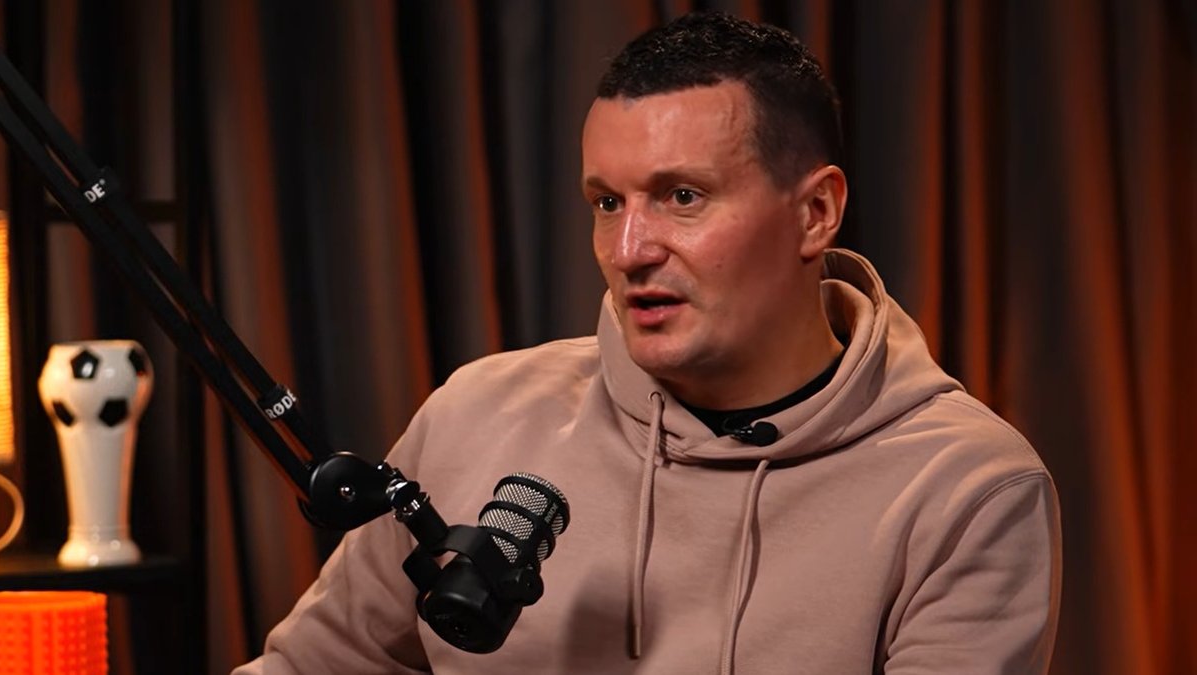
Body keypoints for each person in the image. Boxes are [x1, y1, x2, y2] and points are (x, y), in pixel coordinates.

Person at [235, 12, 1061, 674]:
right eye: (607, 203)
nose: (628, 250)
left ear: (815, 213)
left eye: (682, 196)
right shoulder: (476, 413)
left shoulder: (969, 489)